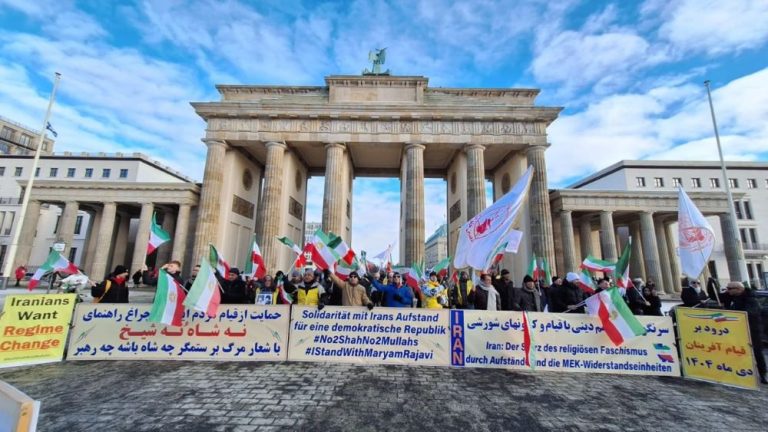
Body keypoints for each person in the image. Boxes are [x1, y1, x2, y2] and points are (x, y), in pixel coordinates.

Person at [725, 282, 767, 384]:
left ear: (739, 289)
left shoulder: (751, 299)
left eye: (730, 288)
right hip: (738, 330)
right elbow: (715, 295)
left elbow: (751, 312)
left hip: (752, 329)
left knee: (756, 352)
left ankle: (763, 374)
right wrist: (711, 282)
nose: (728, 290)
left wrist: (735, 315)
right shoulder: (733, 296)